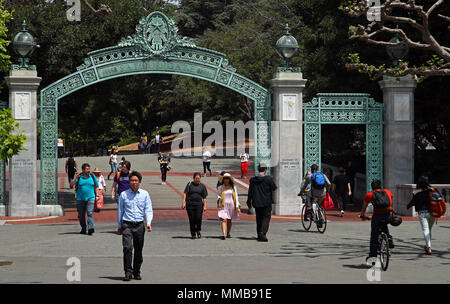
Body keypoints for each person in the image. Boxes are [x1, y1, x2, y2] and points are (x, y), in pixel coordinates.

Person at [117, 171, 153, 281]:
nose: (134, 182)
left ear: (140, 182)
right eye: (132, 180)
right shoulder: (124, 195)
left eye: (136, 180)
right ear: (129, 182)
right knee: (127, 248)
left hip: (139, 225)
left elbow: (148, 209)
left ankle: (136, 271)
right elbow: (120, 210)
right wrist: (119, 225)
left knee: (138, 249)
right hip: (127, 224)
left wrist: (148, 223)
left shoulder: (145, 194)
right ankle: (128, 272)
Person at [360, 179, 395, 263]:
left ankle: (372, 257)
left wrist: (362, 215)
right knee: (385, 225)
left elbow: (364, 207)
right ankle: (389, 238)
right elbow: (391, 201)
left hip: (377, 216)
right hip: (387, 215)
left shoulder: (370, 195)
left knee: (374, 237)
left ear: (372, 187)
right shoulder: (387, 192)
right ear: (381, 186)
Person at [246, 165, 277, 242]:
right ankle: (262, 232)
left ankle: (259, 234)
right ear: (265, 170)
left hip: (256, 202)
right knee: (266, 217)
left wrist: (249, 201)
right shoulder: (268, 179)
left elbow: (250, 192)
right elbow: (274, 187)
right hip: (266, 202)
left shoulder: (253, 180)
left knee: (259, 218)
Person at [407, 176, 435, 255]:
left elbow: (412, 202)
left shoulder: (417, 193)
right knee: (429, 229)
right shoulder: (432, 190)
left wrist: (408, 206)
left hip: (422, 213)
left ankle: (429, 247)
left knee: (426, 230)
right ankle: (427, 245)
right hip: (432, 213)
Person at [70, 163, 99, 235]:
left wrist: (97, 195)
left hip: (91, 198)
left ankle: (90, 228)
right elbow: (71, 184)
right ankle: (83, 228)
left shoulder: (92, 176)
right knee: (81, 215)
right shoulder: (79, 177)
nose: (89, 170)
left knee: (90, 213)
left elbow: (96, 186)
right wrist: (75, 177)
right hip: (80, 199)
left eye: (89, 169)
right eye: (87, 169)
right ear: (83, 170)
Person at [182, 172, 208, 239]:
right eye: (196, 178)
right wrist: (183, 202)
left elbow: (204, 197)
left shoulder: (202, 186)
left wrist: (205, 206)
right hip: (190, 204)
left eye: (199, 178)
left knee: (198, 218)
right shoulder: (190, 184)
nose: (197, 179)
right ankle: (193, 233)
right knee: (192, 219)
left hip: (199, 204)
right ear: (193, 178)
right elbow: (185, 193)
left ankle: (198, 230)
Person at [217, 173, 240, 240]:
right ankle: (223, 234)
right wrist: (219, 198)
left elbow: (236, 196)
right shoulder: (220, 187)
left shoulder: (233, 187)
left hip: (231, 205)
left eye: (227, 179)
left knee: (229, 220)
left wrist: (237, 205)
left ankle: (228, 233)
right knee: (223, 219)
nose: (226, 180)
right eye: (225, 179)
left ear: (229, 180)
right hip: (223, 205)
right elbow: (218, 195)